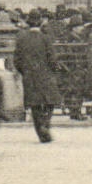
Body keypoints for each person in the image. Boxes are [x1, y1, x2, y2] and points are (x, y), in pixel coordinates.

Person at [13, 13, 62, 143]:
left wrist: (24, 71)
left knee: (34, 105)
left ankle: (40, 130)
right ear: (40, 23)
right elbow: (52, 58)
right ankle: (45, 123)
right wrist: (55, 69)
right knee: (50, 101)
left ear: (28, 23)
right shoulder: (45, 38)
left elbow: (16, 60)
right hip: (45, 75)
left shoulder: (21, 39)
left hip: (30, 75)